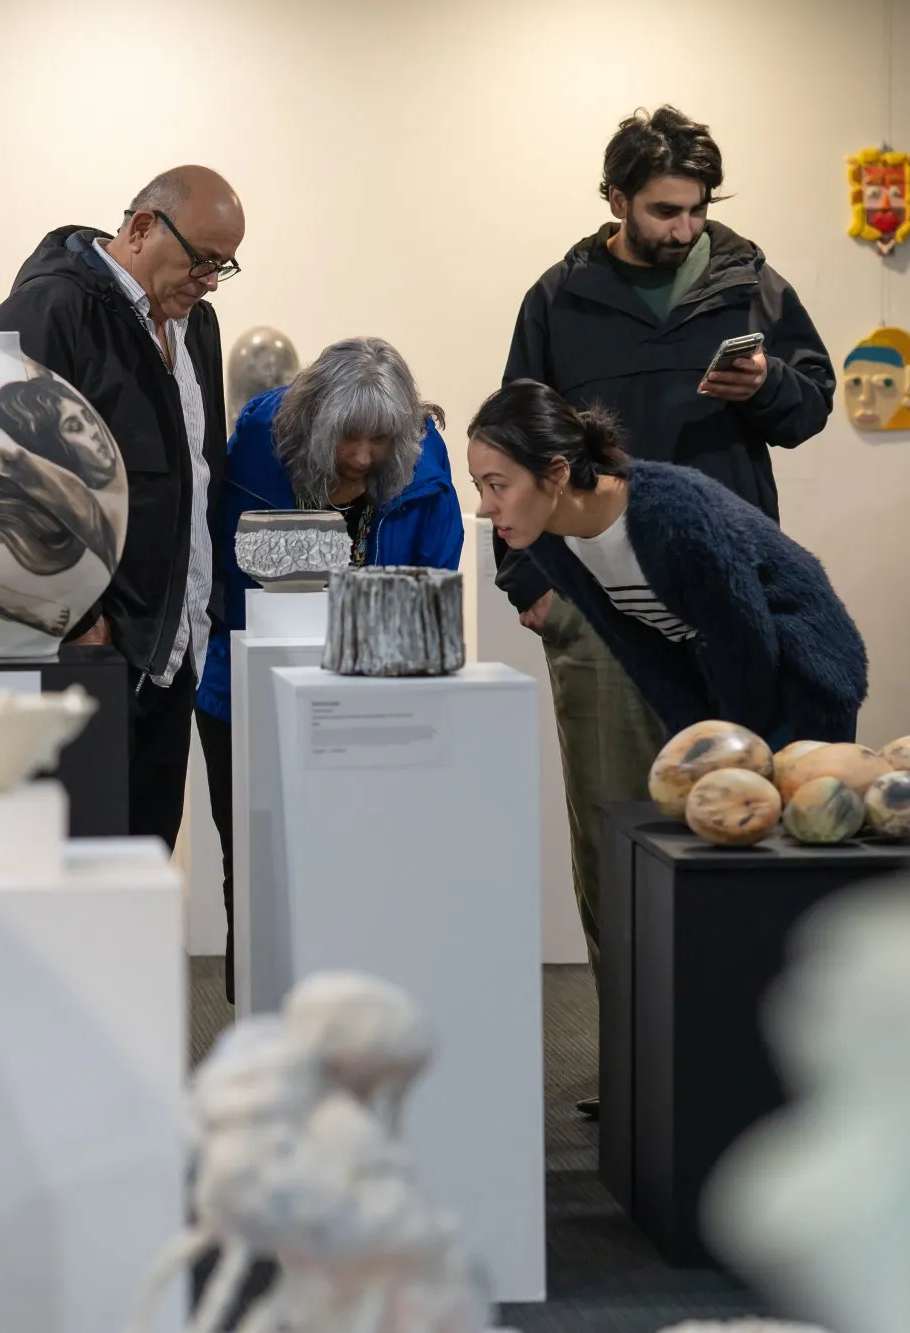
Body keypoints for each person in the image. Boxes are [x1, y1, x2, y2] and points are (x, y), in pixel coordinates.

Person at [491, 107, 835, 1110]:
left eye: (695, 209)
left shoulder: (750, 283)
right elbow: (510, 442)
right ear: (613, 202)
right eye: (662, 211)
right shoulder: (557, 300)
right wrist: (533, 587)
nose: (683, 228)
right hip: (594, 604)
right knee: (617, 834)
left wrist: (766, 384)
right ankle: (635, 1066)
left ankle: (731, 1070)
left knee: (742, 826)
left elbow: (810, 410)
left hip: (727, 600)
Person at [0, 166, 244, 847]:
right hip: (86, 646)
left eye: (224, 266)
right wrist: (78, 616)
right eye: (203, 260)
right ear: (141, 227)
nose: (210, 280)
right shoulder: (47, 312)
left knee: (146, 851)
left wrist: (204, 604)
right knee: (78, 862)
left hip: (173, 641)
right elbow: (4, 479)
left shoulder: (198, 326)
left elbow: (198, 471)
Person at [196, 337, 464, 999]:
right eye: (349, 439)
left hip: (375, 693)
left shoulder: (423, 451)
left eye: (381, 440)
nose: (365, 456)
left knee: (365, 856)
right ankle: (258, 1007)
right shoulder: (261, 437)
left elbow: (437, 567)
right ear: (314, 422)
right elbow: (225, 566)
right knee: (255, 859)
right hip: (246, 685)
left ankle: (363, 1013)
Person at [470, 380, 866, 751]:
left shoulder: (672, 514)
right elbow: (641, 652)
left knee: (789, 814)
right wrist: (691, 739)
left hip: (803, 666)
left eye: (498, 485)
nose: (485, 507)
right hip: (730, 668)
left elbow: (746, 641)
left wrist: (730, 748)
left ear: (557, 473)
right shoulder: (551, 540)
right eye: (480, 487)